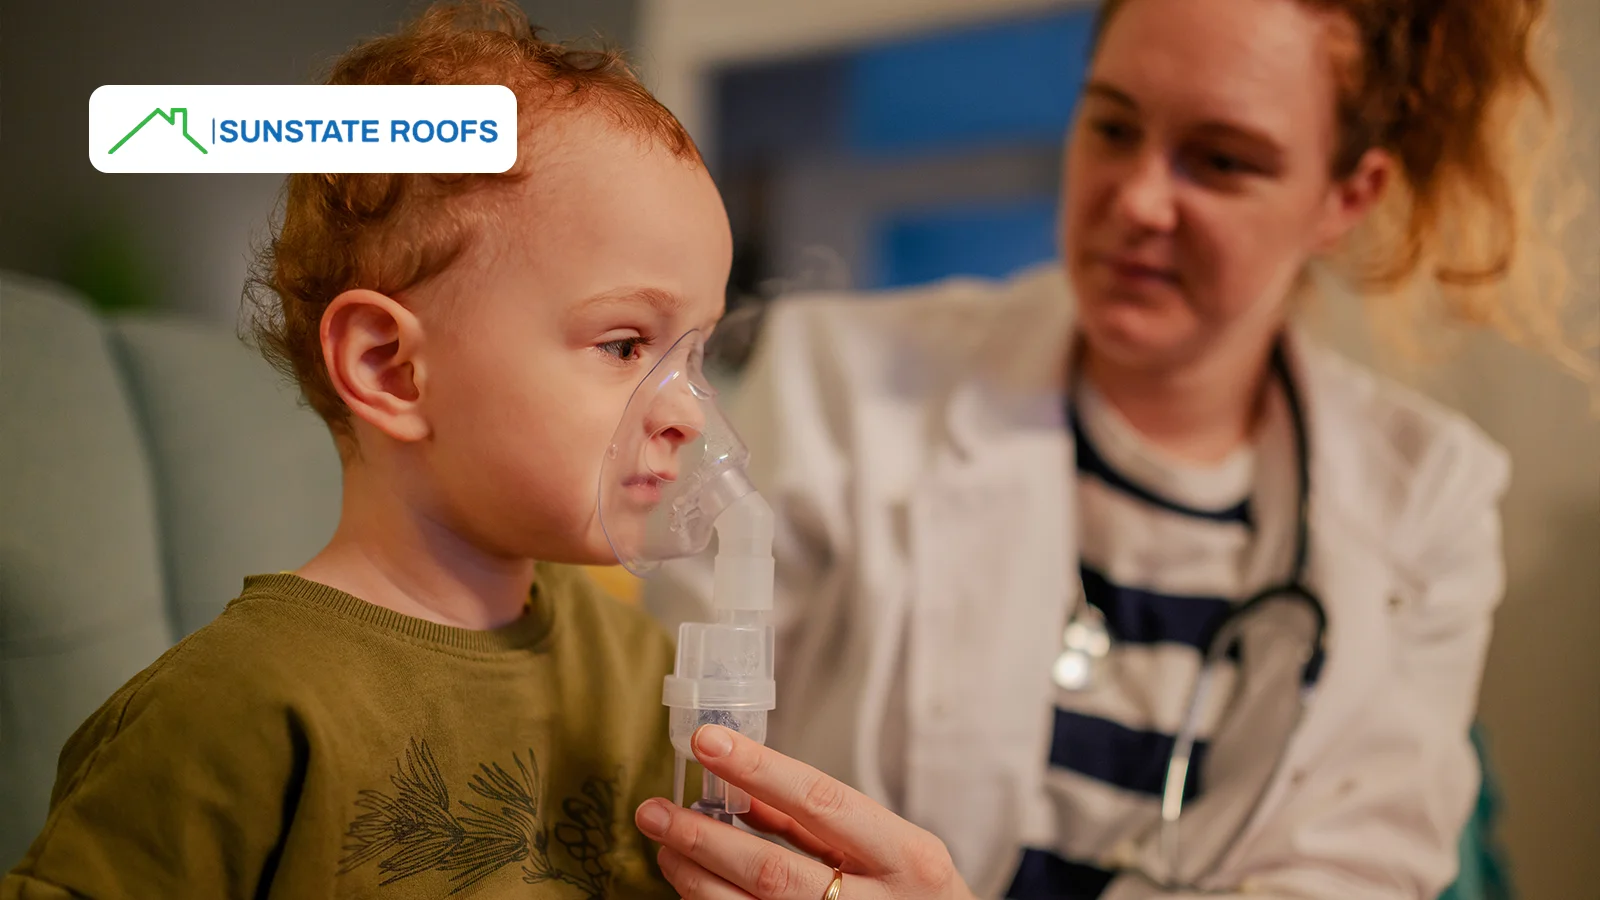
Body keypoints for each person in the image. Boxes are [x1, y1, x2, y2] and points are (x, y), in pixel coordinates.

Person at [637, 0, 1588, 897]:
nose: (1138, 200)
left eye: (1219, 161)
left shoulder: (1427, 502)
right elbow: (662, 757)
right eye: (1114, 128)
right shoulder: (838, 383)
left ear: (1347, 196)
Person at [2, 2, 733, 896]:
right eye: (625, 345)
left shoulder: (635, 671)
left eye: (695, 353)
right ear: (392, 369)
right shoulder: (235, 710)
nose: (690, 412)